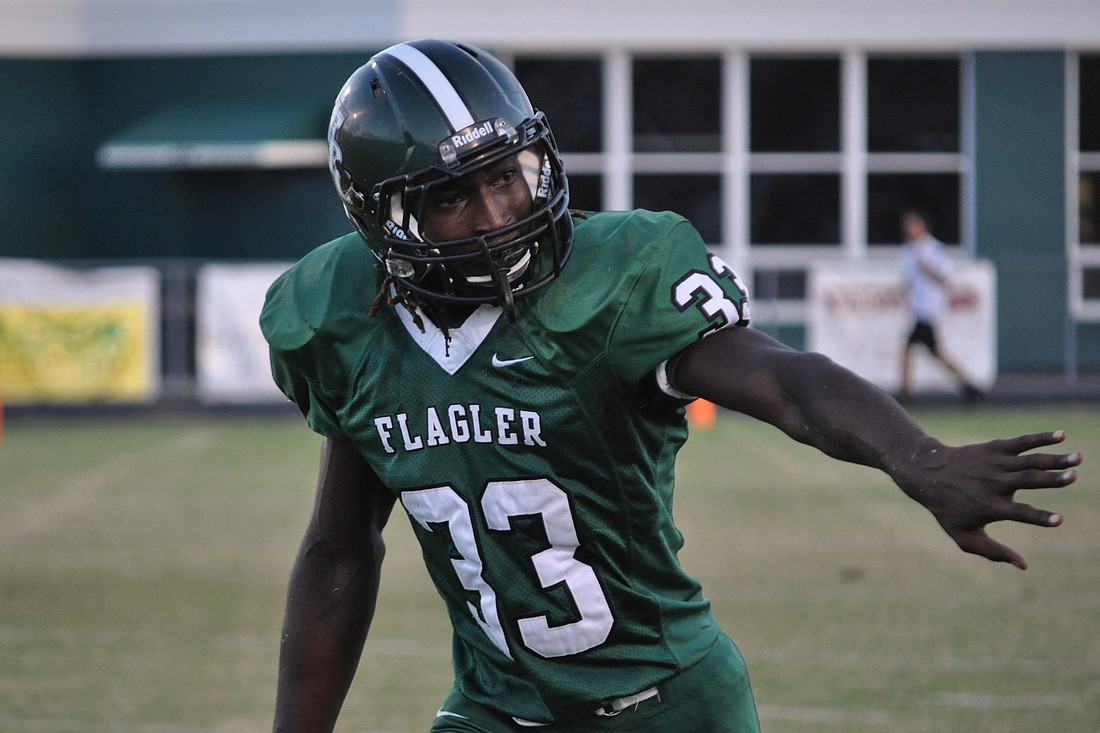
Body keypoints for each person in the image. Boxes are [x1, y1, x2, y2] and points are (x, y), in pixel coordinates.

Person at [259, 40, 1082, 733]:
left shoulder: (613, 281)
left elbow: (779, 378)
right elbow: (338, 550)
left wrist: (919, 458)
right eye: (451, 197)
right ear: (383, 221)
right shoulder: (344, 323)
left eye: (508, 173)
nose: (496, 211)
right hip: (494, 709)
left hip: (667, 707)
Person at [898, 208, 982, 403]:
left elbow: (946, 278)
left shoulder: (934, 249)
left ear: (923, 226)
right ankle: (969, 385)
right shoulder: (908, 250)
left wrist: (926, 267)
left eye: (913, 224)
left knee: (909, 349)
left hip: (929, 309)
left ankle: (904, 395)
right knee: (935, 352)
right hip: (918, 309)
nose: (909, 229)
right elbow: (908, 282)